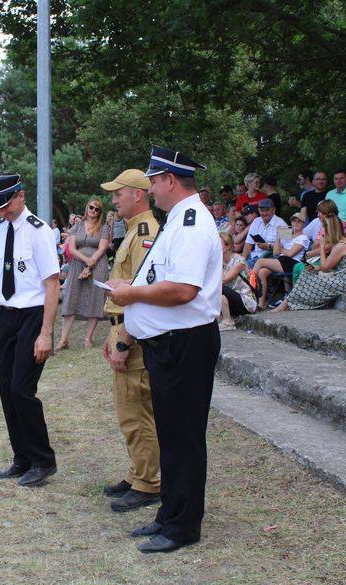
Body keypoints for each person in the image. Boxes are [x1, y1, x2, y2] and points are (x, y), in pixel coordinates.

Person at [107, 145, 222, 554]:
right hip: (168, 343)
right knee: (171, 436)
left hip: (184, 343)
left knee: (183, 438)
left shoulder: (191, 222)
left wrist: (130, 293)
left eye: (154, 181)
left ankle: (181, 527)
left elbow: (183, 289)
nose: (150, 189)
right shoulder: (178, 219)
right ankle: (169, 513)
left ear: (170, 180)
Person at [0, 174, 60, 487]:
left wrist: (46, 332)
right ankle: (22, 457)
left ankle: (43, 460)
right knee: (6, 390)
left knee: (21, 390)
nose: (1, 212)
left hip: (33, 316)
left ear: (21, 196)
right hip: (7, 317)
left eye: (5, 205)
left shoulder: (39, 232)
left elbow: (52, 283)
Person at [99, 168, 161, 513]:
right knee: (129, 411)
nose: (114, 201)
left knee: (136, 413)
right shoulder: (135, 231)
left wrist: (123, 341)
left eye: (118, 194)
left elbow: (139, 293)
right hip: (122, 327)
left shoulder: (146, 232)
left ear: (138, 194)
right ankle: (138, 472)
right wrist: (113, 335)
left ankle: (148, 483)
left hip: (131, 332)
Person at [273, 213, 346, 312]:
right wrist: (316, 268)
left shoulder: (340, 246)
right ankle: (289, 304)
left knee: (308, 278)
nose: (322, 232)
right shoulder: (343, 241)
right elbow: (332, 265)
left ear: (330, 229)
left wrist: (322, 246)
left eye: (324, 228)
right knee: (307, 273)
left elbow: (325, 268)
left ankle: (287, 305)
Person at [57, 198, 111, 350]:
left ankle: (88, 338)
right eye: (91, 207)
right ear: (87, 207)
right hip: (78, 264)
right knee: (71, 297)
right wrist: (86, 260)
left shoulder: (104, 227)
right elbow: (72, 248)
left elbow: (102, 248)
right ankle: (63, 339)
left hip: (98, 264)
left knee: (95, 298)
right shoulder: (78, 226)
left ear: (100, 212)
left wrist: (91, 262)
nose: (93, 210)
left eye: (97, 209)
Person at [252, 212, 308, 310]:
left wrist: (281, 250)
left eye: (299, 221)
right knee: (262, 272)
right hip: (282, 260)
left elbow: (290, 254)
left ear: (303, 224)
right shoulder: (288, 234)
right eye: (294, 221)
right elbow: (275, 252)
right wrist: (278, 236)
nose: (295, 223)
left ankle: (249, 287)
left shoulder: (303, 237)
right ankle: (261, 304)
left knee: (260, 261)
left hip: (292, 263)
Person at [219, 232, 256, 330]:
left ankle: (228, 322)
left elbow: (224, 280)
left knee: (219, 288)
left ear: (228, 246)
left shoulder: (239, 261)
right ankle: (221, 318)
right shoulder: (220, 261)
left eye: (218, 244)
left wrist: (217, 264)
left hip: (245, 301)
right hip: (232, 298)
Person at [241, 198, 288, 268]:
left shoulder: (282, 224)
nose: (264, 213)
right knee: (237, 264)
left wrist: (269, 247)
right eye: (262, 210)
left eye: (267, 210)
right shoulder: (256, 221)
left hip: (272, 259)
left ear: (274, 210)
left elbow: (288, 248)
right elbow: (248, 243)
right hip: (254, 256)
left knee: (240, 269)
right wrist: (242, 261)